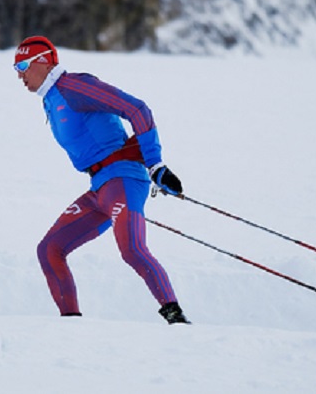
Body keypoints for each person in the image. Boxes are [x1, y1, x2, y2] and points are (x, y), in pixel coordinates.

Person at [13, 35, 189, 324]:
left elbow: (138, 110)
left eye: (22, 65)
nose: (19, 74)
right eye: (14, 68)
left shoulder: (74, 87)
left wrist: (156, 165)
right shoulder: (51, 99)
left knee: (132, 250)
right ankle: (71, 326)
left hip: (124, 180)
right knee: (49, 250)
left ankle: (176, 318)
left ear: (44, 62)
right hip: (100, 189)